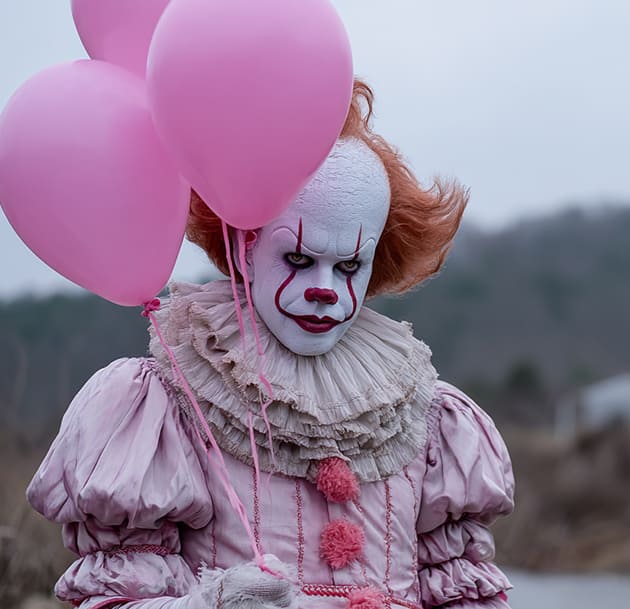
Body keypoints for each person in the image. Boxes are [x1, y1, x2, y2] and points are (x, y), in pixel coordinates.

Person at [27, 80, 515, 609]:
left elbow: (459, 589)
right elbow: (114, 596)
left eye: (350, 265)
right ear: (244, 245)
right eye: (299, 259)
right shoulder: (164, 404)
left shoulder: (427, 414)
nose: (326, 289)